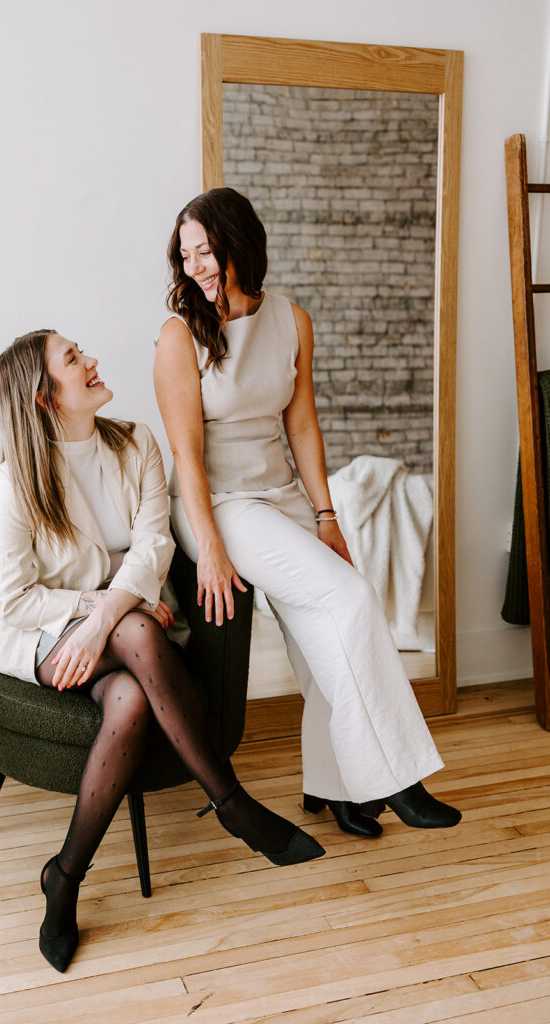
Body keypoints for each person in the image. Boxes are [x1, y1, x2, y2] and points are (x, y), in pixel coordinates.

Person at [0, 329, 324, 972]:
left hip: (130, 625)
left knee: (131, 699)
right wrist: (99, 610)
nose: (90, 361)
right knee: (137, 630)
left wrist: (115, 601)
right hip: (51, 635)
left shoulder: (136, 442)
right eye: (72, 359)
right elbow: (15, 600)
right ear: (42, 397)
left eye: (83, 349)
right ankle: (233, 803)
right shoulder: (18, 480)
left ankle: (64, 878)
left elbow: (155, 549)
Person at [154, 187, 461, 842]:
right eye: (186, 256)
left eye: (205, 251)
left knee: (327, 630)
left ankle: (336, 787)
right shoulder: (178, 337)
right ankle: (396, 778)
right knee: (349, 599)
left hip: (281, 493)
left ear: (240, 244)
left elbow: (301, 424)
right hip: (220, 502)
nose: (196, 266)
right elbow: (184, 455)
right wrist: (208, 546)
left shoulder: (291, 319)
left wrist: (326, 515)